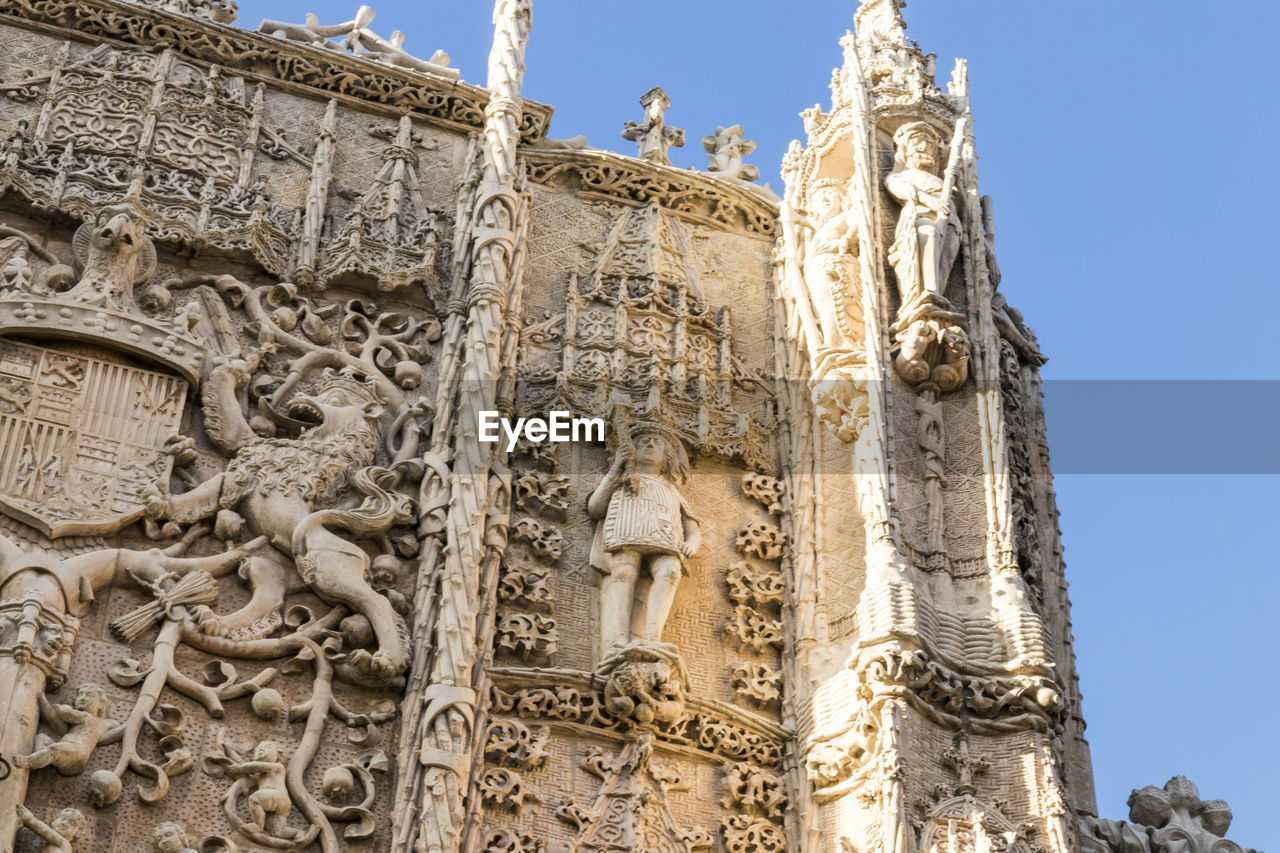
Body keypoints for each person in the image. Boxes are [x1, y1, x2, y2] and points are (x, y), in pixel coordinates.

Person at [588, 426, 701, 657]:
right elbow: (596, 508)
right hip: (625, 535)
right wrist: (616, 468)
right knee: (624, 571)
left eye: (657, 443)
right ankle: (617, 641)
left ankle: (652, 638)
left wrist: (692, 542)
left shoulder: (670, 489)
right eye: (644, 441)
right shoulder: (622, 480)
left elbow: (692, 526)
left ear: (667, 457)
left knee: (670, 570)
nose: (650, 445)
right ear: (630, 451)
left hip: (665, 540)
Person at [885, 121, 962, 305]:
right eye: (918, 143)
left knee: (946, 259)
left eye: (929, 145)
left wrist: (955, 183)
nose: (925, 147)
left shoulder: (938, 179)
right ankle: (924, 293)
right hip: (921, 216)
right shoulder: (898, 176)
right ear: (905, 150)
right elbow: (903, 191)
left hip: (951, 221)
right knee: (928, 234)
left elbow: (962, 207)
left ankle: (937, 297)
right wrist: (932, 202)